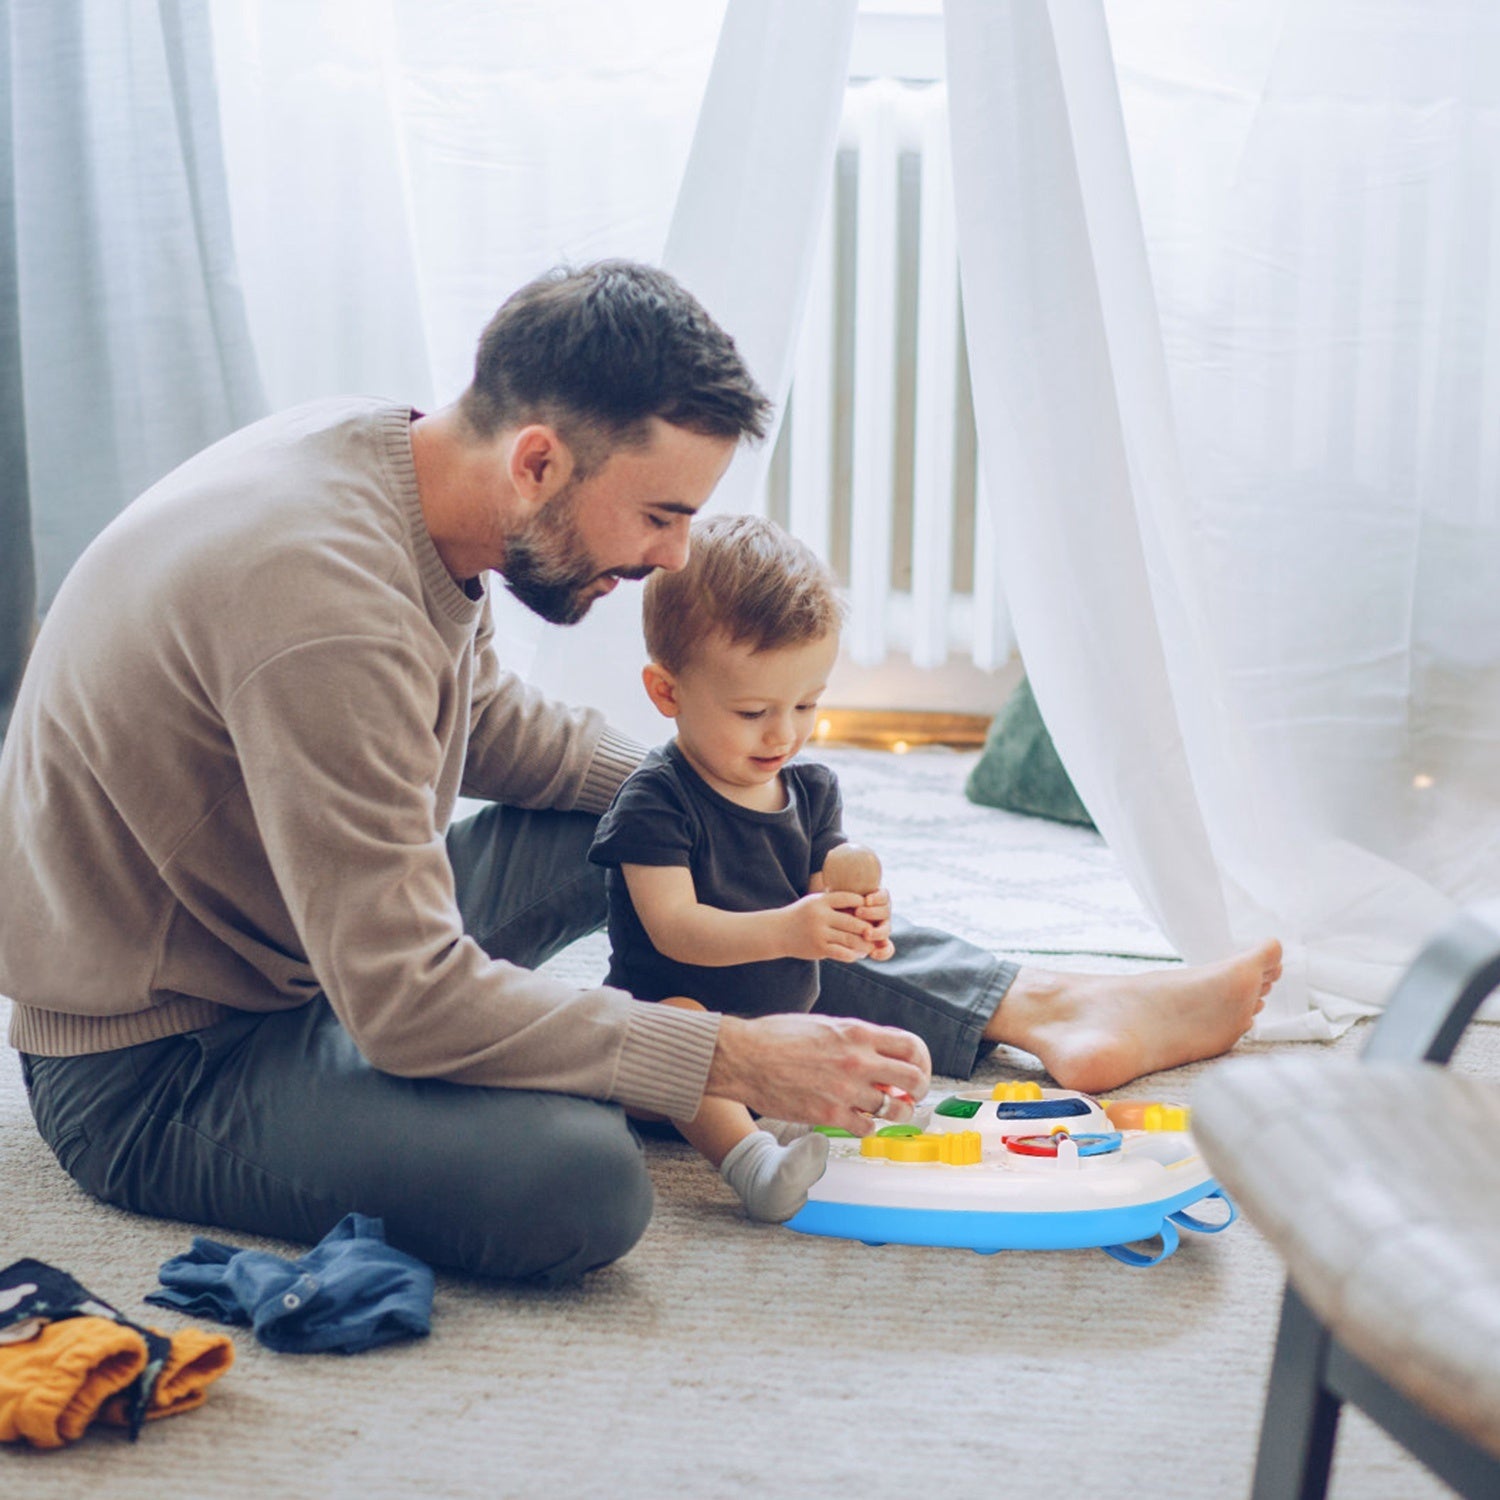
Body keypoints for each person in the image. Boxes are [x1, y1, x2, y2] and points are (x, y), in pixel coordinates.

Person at [0, 260, 1281, 1287]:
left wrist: (735, 788)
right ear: (542, 460)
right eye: (661, 516)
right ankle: (902, 1019)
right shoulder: (323, 606)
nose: (674, 561)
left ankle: (1026, 1001)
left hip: (291, 940)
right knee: (579, 1185)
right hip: (168, 1059)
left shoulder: (406, 473)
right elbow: (405, 1004)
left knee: (649, 816)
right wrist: (727, 1057)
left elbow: (495, 731)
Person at [589, 515, 890, 1221]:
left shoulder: (811, 789)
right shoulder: (656, 799)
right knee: (683, 1018)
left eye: (806, 704)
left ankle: (780, 1124)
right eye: (754, 710)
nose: (783, 733)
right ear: (667, 693)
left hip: (773, 1034)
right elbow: (676, 930)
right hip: (662, 1051)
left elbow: (819, 894)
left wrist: (853, 913)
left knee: (857, 1043)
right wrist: (790, 931)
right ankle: (751, 1164)